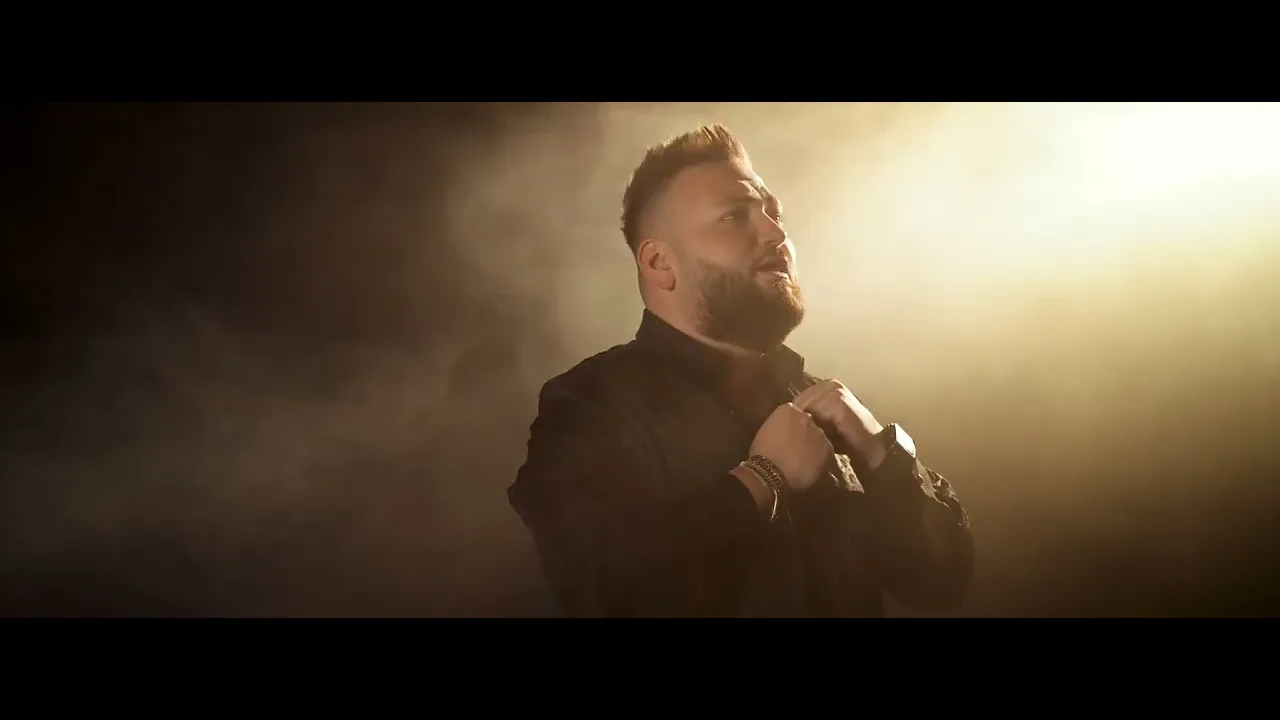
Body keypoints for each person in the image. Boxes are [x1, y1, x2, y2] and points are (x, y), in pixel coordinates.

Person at [507, 123, 975, 617]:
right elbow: (605, 592)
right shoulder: (589, 406)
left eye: (774, 214)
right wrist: (762, 479)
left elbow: (942, 583)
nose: (776, 234)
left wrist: (881, 451)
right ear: (660, 262)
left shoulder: (828, 409)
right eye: (734, 216)